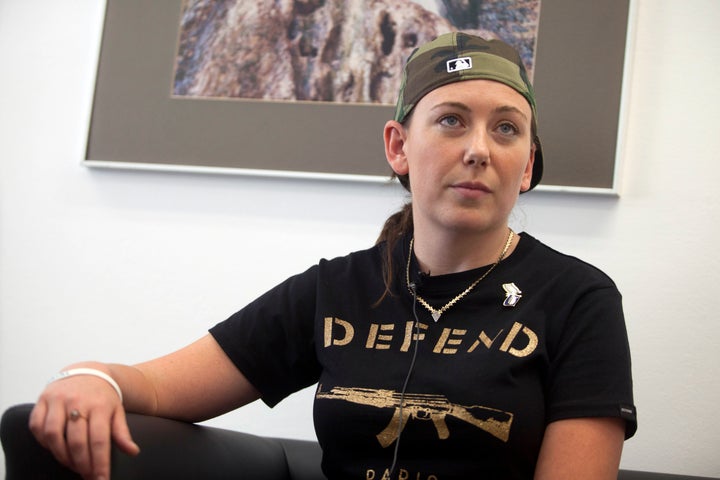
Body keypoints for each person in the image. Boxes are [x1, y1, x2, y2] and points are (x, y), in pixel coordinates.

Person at [29, 32, 636, 480]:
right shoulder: (337, 289)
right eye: (451, 121)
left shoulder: (578, 299)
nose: (480, 149)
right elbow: (158, 388)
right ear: (399, 146)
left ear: (526, 164)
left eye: (506, 129)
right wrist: (93, 379)